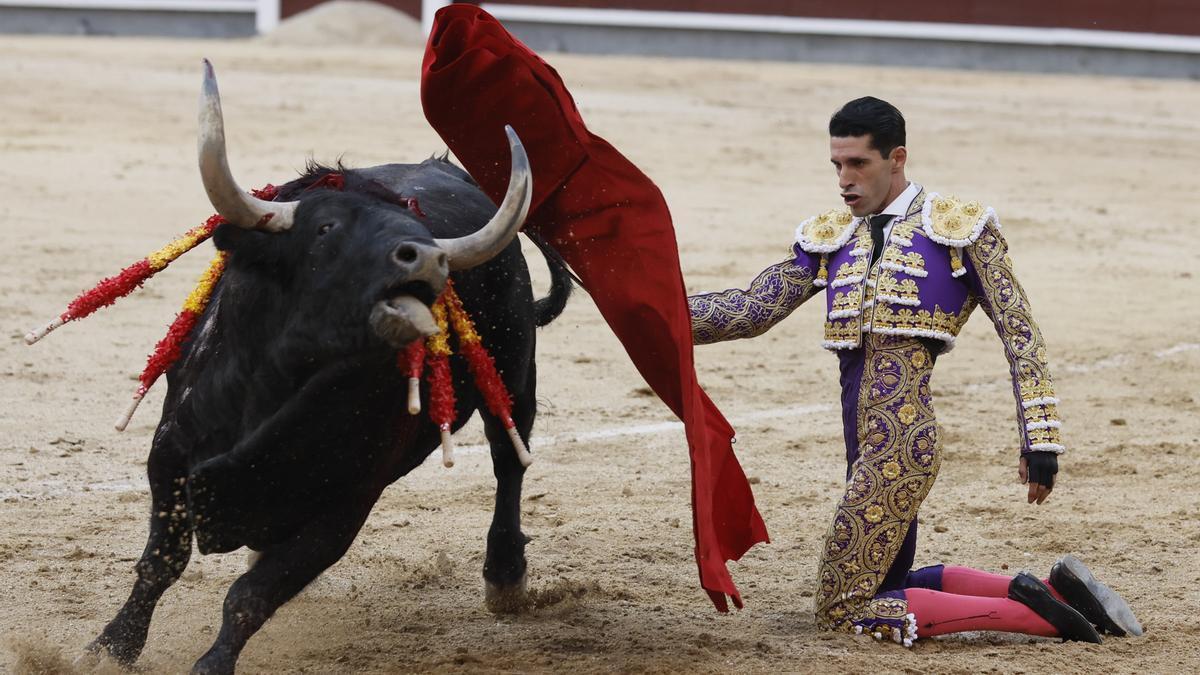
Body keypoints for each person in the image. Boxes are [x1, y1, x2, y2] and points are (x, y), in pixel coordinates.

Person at [688, 97, 1142, 645]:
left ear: (896, 157)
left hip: (902, 446)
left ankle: (1045, 619)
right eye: (836, 165)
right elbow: (751, 309)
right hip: (861, 443)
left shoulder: (958, 228)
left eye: (858, 164)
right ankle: (1051, 590)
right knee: (887, 581)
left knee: (842, 610)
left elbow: (1020, 332)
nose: (844, 180)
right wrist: (645, 305)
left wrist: (1040, 439)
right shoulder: (832, 236)